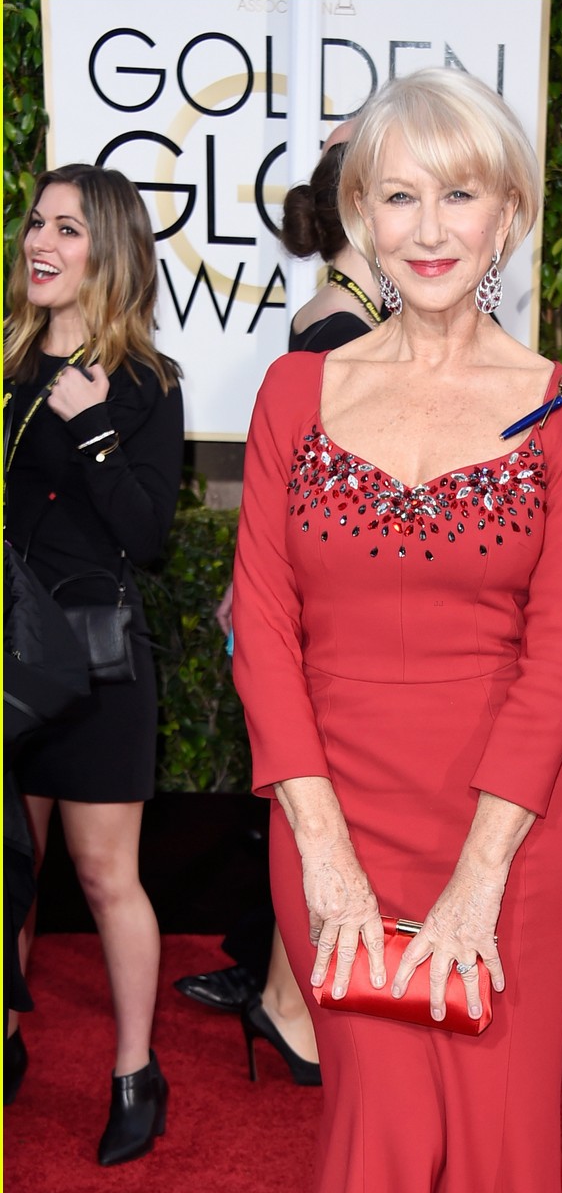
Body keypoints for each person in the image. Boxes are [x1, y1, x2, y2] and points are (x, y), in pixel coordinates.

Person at [232, 68, 562, 1193]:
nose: (431, 229)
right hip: (330, 828)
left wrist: (478, 878)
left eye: (461, 196)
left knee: (501, 1158)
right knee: (378, 1145)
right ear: (361, 218)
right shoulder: (295, 392)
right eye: (400, 198)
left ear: (508, 215)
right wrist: (325, 851)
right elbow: (260, 623)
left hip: (514, 837)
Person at [175, 127, 384, 1088]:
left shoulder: (340, 314)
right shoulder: (340, 328)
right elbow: (324, 498)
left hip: (306, 605)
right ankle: (289, 1000)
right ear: (361, 213)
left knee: (303, 807)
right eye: (400, 194)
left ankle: (284, 996)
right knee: (311, 806)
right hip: (314, 614)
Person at [3, 164, 184, 1165]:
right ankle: (7, 1037)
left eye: (68, 228)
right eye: (36, 222)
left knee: (105, 875)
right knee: (10, 876)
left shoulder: (148, 384)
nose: (41, 241)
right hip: (6, 664)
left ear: (106, 251)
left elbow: (148, 534)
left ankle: (134, 1072)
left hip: (95, 665)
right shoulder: (4, 362)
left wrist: (95, 425)